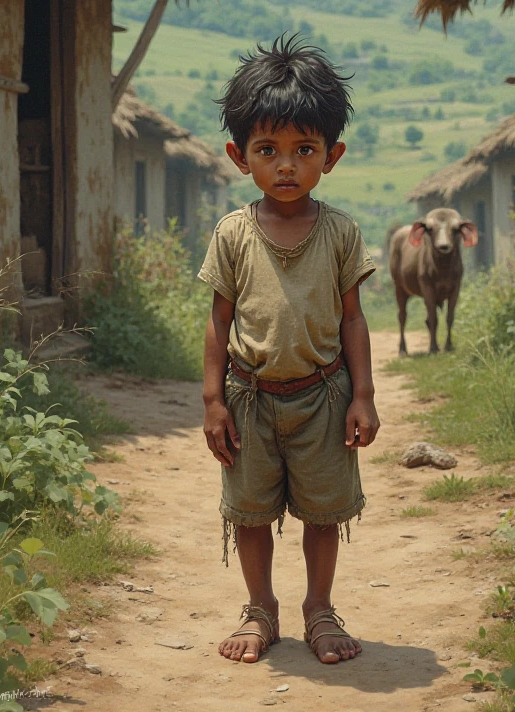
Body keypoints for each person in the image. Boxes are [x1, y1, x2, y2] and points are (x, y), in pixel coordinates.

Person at [198, 35, 380, 666]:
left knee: (323, 513)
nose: (285, 166)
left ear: (331, 156)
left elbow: (352, 318)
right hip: (249, 399)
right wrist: (213, 401)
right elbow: (219, 322)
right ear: (238, 155)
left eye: (304, 150)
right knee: (250, 513)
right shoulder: (233, 233)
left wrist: (362, 396)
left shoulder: (340, 232)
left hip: (323, 396)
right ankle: (260, 608)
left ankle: (319, 609)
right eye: (267, 150)